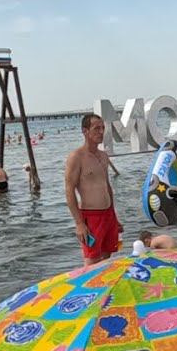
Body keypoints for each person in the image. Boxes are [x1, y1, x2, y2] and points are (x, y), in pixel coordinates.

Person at [65, 114, 121, 266]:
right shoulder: (76, 157)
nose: (101, 132)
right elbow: (69, 190)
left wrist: (114, 216)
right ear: (85, 131)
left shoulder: (103, 156)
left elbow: (107, 186)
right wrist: (79, 223)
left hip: (108, 214)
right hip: (91, 216)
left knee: (107, 257)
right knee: (91, 261)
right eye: (96, 128)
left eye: (103, 128)